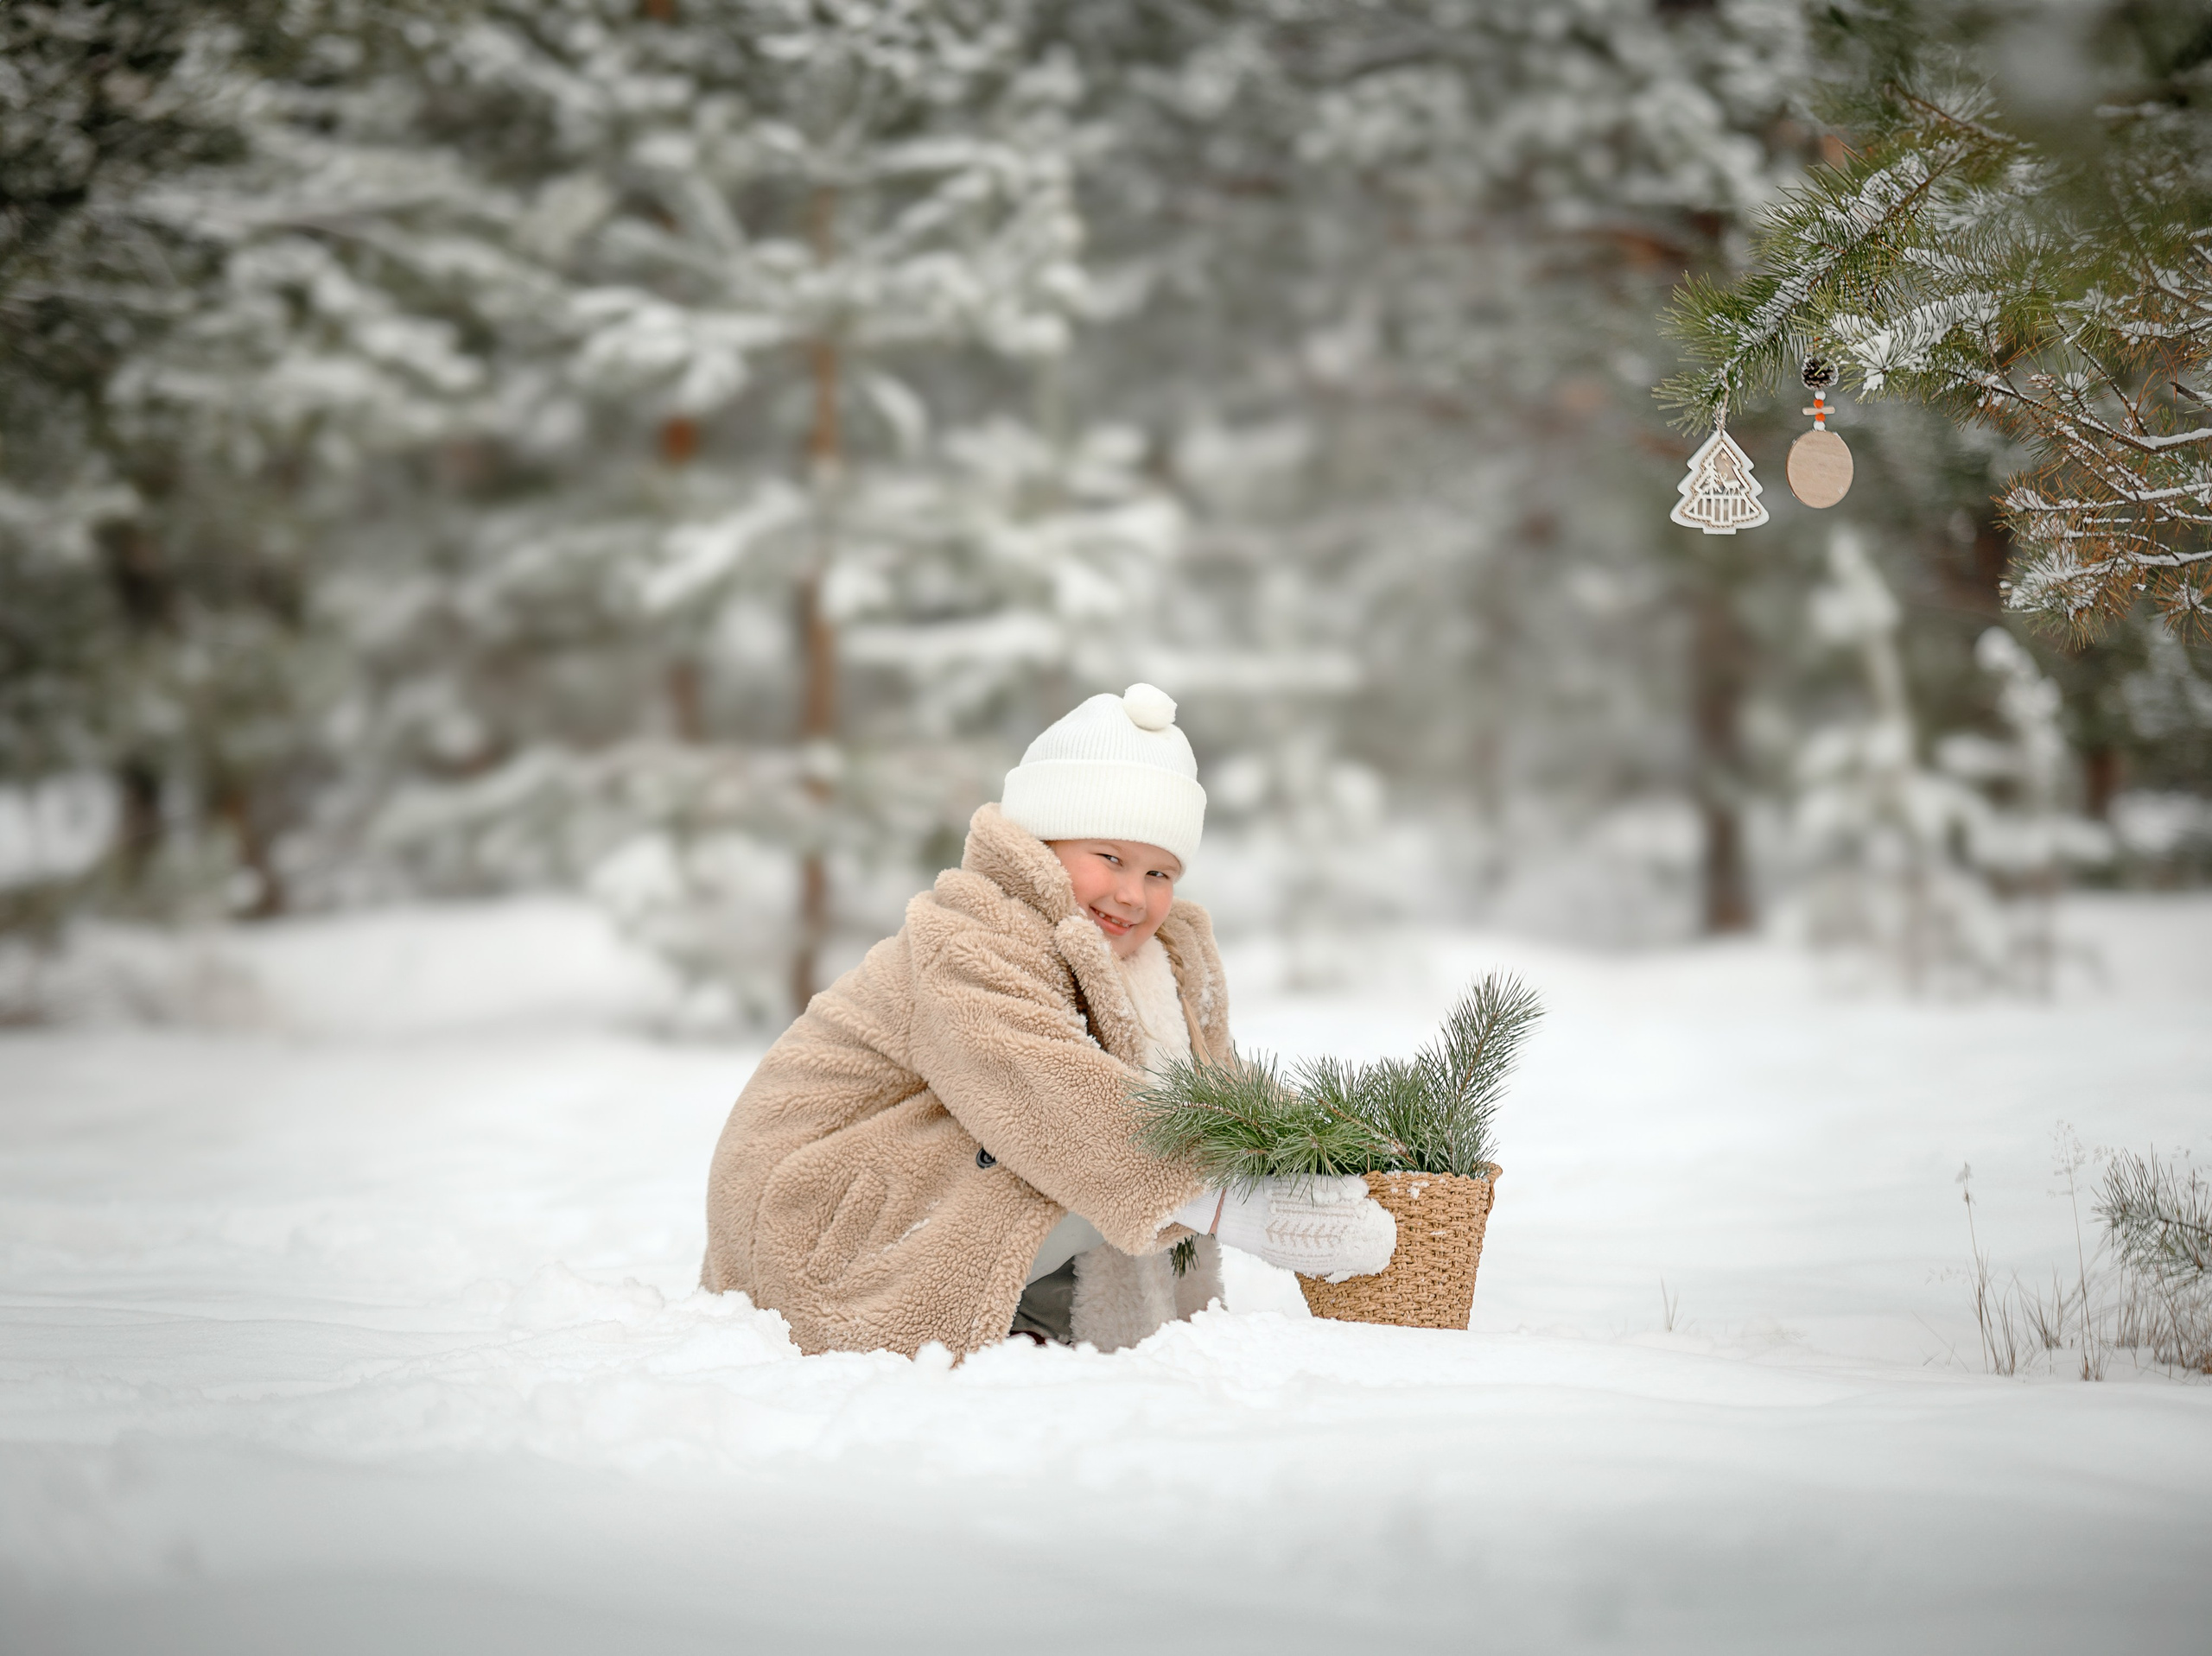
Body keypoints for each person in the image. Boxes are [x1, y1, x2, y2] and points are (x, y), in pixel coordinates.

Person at [701, 683, 1395, 1355]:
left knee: (1118, 1141)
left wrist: (1332, 1150)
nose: (1133, 894)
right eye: (1111, 858)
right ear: (1044, 843)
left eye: (1161, 873)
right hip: (825, 1220)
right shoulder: (971, 935)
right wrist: (1231, 1203)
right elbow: (1043, 1088)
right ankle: (1001, 1317)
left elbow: (1216, 1095)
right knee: (1074, 1134)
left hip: (917, 1194)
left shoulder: (1155, 962)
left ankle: (1034, 1313)